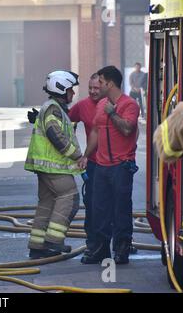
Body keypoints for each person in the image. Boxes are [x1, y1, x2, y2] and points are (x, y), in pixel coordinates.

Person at [79, 66, 139, 265]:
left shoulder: (130, 104)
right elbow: (95, 132)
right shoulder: (101, 104)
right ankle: (101, 249)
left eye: (102, 82)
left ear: (110, 83)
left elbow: (128, 129)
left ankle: (122, 248)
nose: (99, 85)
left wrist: (112, 113)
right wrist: (86, 156)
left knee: (121, 208)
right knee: (99, 209)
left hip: (122, 165)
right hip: (102, 166)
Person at [25, 70, 84, 259]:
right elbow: (55, 134)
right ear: (61, 89)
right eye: (70, 90)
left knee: (47, 203)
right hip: (53, 167)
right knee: (70, 198)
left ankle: (37, 245)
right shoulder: (53, 109)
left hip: (44, 167)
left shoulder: (52, 107)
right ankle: (53, 242)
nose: (73, 94)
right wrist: (77, 156)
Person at [68, 73, 103, 254]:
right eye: (90, 88)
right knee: (91, 203)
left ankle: (123, 242)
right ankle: (92, 242)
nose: (92, 91)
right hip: (94, 163)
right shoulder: (83, 106)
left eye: (96, 88)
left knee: (116, 204)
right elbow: (65, 119)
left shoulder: (114, 105)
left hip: (113, 163)